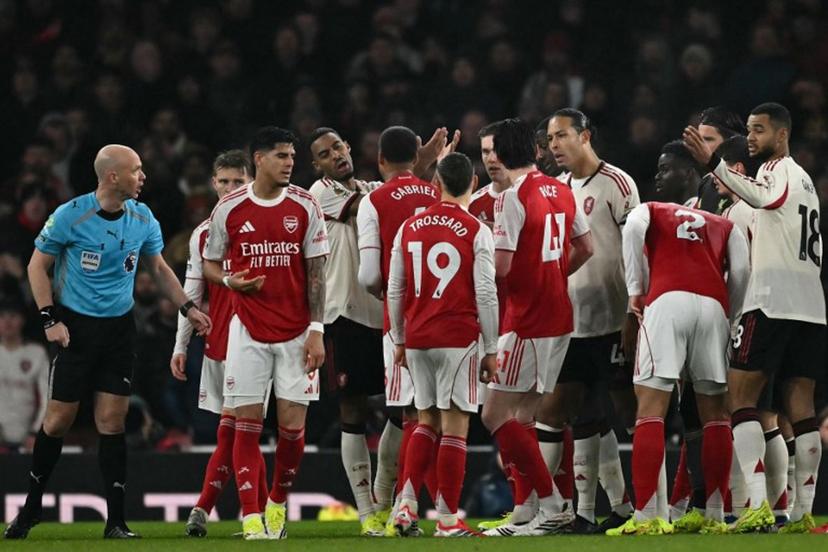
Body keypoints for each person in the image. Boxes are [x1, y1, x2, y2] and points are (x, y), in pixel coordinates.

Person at [4, 144, 212, 540]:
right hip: (76, 330)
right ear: (112, 176)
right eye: (136, 169)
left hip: (119, 329)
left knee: (112, 422)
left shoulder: (143, 216)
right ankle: (31, 509)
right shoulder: (71, 215)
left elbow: (159, 267)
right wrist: (49, 318)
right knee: (59, 421)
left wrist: (187, 308)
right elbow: (36, 265)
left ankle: (115, 521)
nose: (143, 176)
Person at [684, 102, 826, 533]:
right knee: (798, 406)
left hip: (770, 300)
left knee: (740, 399)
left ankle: (759, 507)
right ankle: (801, 513)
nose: (751, 137)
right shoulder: (808, 183)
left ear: (782, 135)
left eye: (759, 130)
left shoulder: (777, 171)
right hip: (810, 305)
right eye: (749, 129)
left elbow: (765, 198)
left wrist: (713, 165)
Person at [611, 140, 750, 536]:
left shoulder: (649, 210)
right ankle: (714, 514)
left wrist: (636, 291)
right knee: (716, 415)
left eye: (664, 169)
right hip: (713, 308)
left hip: (666, 302)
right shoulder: (724, 224)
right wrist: (730, 312)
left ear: (691, 174)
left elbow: (632, 235)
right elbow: (741, 274)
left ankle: (644, 516)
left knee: (651, 410)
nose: (657, 177)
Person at [201, 127, 329, 540]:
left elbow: (317, 275)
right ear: (258, 159)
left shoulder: (305, 204)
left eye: (291, 155)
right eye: (281, 155)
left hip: (296, 332)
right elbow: (210, 263)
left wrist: (316, 330)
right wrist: (228, 283)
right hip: (247, 330)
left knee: (293, 428)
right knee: (245, 423)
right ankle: (252, 516)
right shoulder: (230, 208)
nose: (290, 162)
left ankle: (276, 502)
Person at [481, 119, 593, 536]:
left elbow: (503, 268)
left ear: (503, 154)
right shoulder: (562, 190)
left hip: (526, 319)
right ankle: (526, 509)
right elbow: (587, 247)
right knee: (524, 414)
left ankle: (552, 504)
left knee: (494, 414)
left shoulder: (512, 198)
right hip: (559, 315)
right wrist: (555, 275)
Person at [387, 152, 498, 537]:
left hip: (417, 337)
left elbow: (394, 287)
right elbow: (486, 292)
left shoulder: (410, 227)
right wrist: (493, 348)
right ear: (472, 185)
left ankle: (406, 504)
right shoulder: (476, 229)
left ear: (435, 185)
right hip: (457, 338)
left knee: (424, 419)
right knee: (455, 425)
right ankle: (448, 521)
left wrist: (399, 339)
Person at [543, 108, 639, 533]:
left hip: (616, 318)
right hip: (572, 322)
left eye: (561, 136)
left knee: (628, 414)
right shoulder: (558, 188)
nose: (554, 145)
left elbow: (638, 248)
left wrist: (636, 311)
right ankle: (593, 509)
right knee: (578, 413)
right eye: (550, 139)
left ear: (585, 136)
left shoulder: (618, 183)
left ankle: (644, 506)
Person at [356, 125, 445, 534]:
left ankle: (401, 505)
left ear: (380, 161)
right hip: (445, 314)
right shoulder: (437, 192)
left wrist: (386, 297)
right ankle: (423, 506)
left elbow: (369, 274)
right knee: (437, 416)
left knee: (411, 413)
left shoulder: (373, 200)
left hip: (402, 320)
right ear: (416, 156)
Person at [168, 150, 256, 537]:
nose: (231, 189)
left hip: (265, 338)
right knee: (235, 431)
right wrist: (180, 345)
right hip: (221, 342)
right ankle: (252, 514)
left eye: (239, 181)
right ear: (213, 184)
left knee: (242, 429)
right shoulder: (203, 233)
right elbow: (192, 292)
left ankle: (212, 508)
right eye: (224, 182)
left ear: (251, 181)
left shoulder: (265, 221)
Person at [307, 127, 388, 537]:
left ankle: (385, 497)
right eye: (325, 153)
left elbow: (401, 193)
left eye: (338, 146)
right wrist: (412, 175)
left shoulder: (374, 186)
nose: (335, 155)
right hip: (346, 314)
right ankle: (365, 510)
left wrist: (422, 163)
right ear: (317, 165)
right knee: (352, 411)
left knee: (405, 409)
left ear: (349, 147)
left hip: (387, 313)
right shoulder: (320, 193)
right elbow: (379, 205)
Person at [0, 300, 49, 450]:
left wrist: (36, 432)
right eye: (2, 316)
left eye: (13, 316)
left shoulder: (36, 353)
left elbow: (47, 396)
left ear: (23, 320)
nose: (7, 322)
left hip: (28, 438)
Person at [693, 106, 746, 212]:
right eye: (699, 139)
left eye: (708, 139)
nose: (700, 145)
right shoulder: (706, 182)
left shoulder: (752, 181)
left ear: (730, 142)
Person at [469, 122, 511, 227]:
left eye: (498, 150)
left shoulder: (533, 198)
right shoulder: (472, 205)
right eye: (486, 152)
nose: (491, 159)